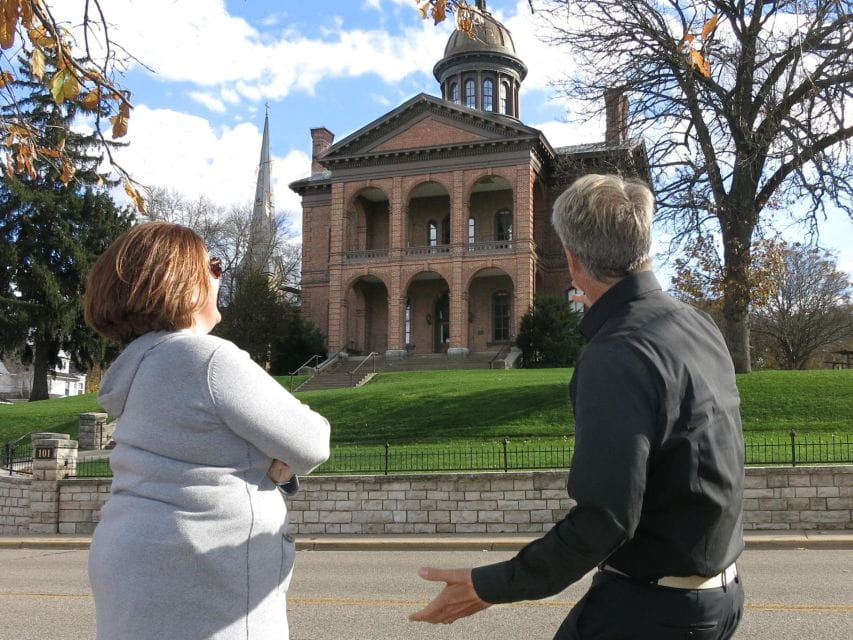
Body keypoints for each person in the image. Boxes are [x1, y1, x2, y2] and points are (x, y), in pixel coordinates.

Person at [409, 174, 745, 639]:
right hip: (720, 597)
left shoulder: (617, 353)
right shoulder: (698, 325)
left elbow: (604, 519)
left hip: (653, 611)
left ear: (571, 258)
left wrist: (489, 585)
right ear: (645, 245)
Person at [84, 222, 330, 640]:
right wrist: (272, 464)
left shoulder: (133, 369)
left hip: (126, 558)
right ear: (181, 280)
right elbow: (312, 441)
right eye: (213, 266)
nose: (220, 276)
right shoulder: (207, 358)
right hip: (203, 570)